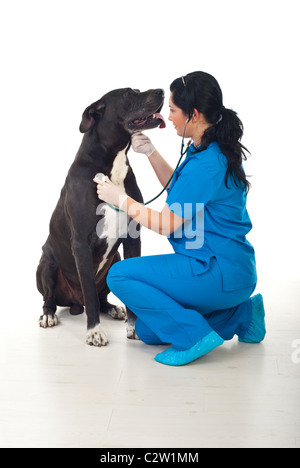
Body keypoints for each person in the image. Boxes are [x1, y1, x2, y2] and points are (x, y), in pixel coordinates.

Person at [93, 71, 266, 366]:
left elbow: (165, 224)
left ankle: (195, 336)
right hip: (233, 272)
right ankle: (243, 314)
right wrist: (151, 153)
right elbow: (182, 190)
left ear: (193, 115)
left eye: (173, 110)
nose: (167, 116)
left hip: (214, 272)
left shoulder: (207, 163)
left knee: (119, 275)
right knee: (148, 330)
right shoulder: (207, 149)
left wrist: (119, 199)